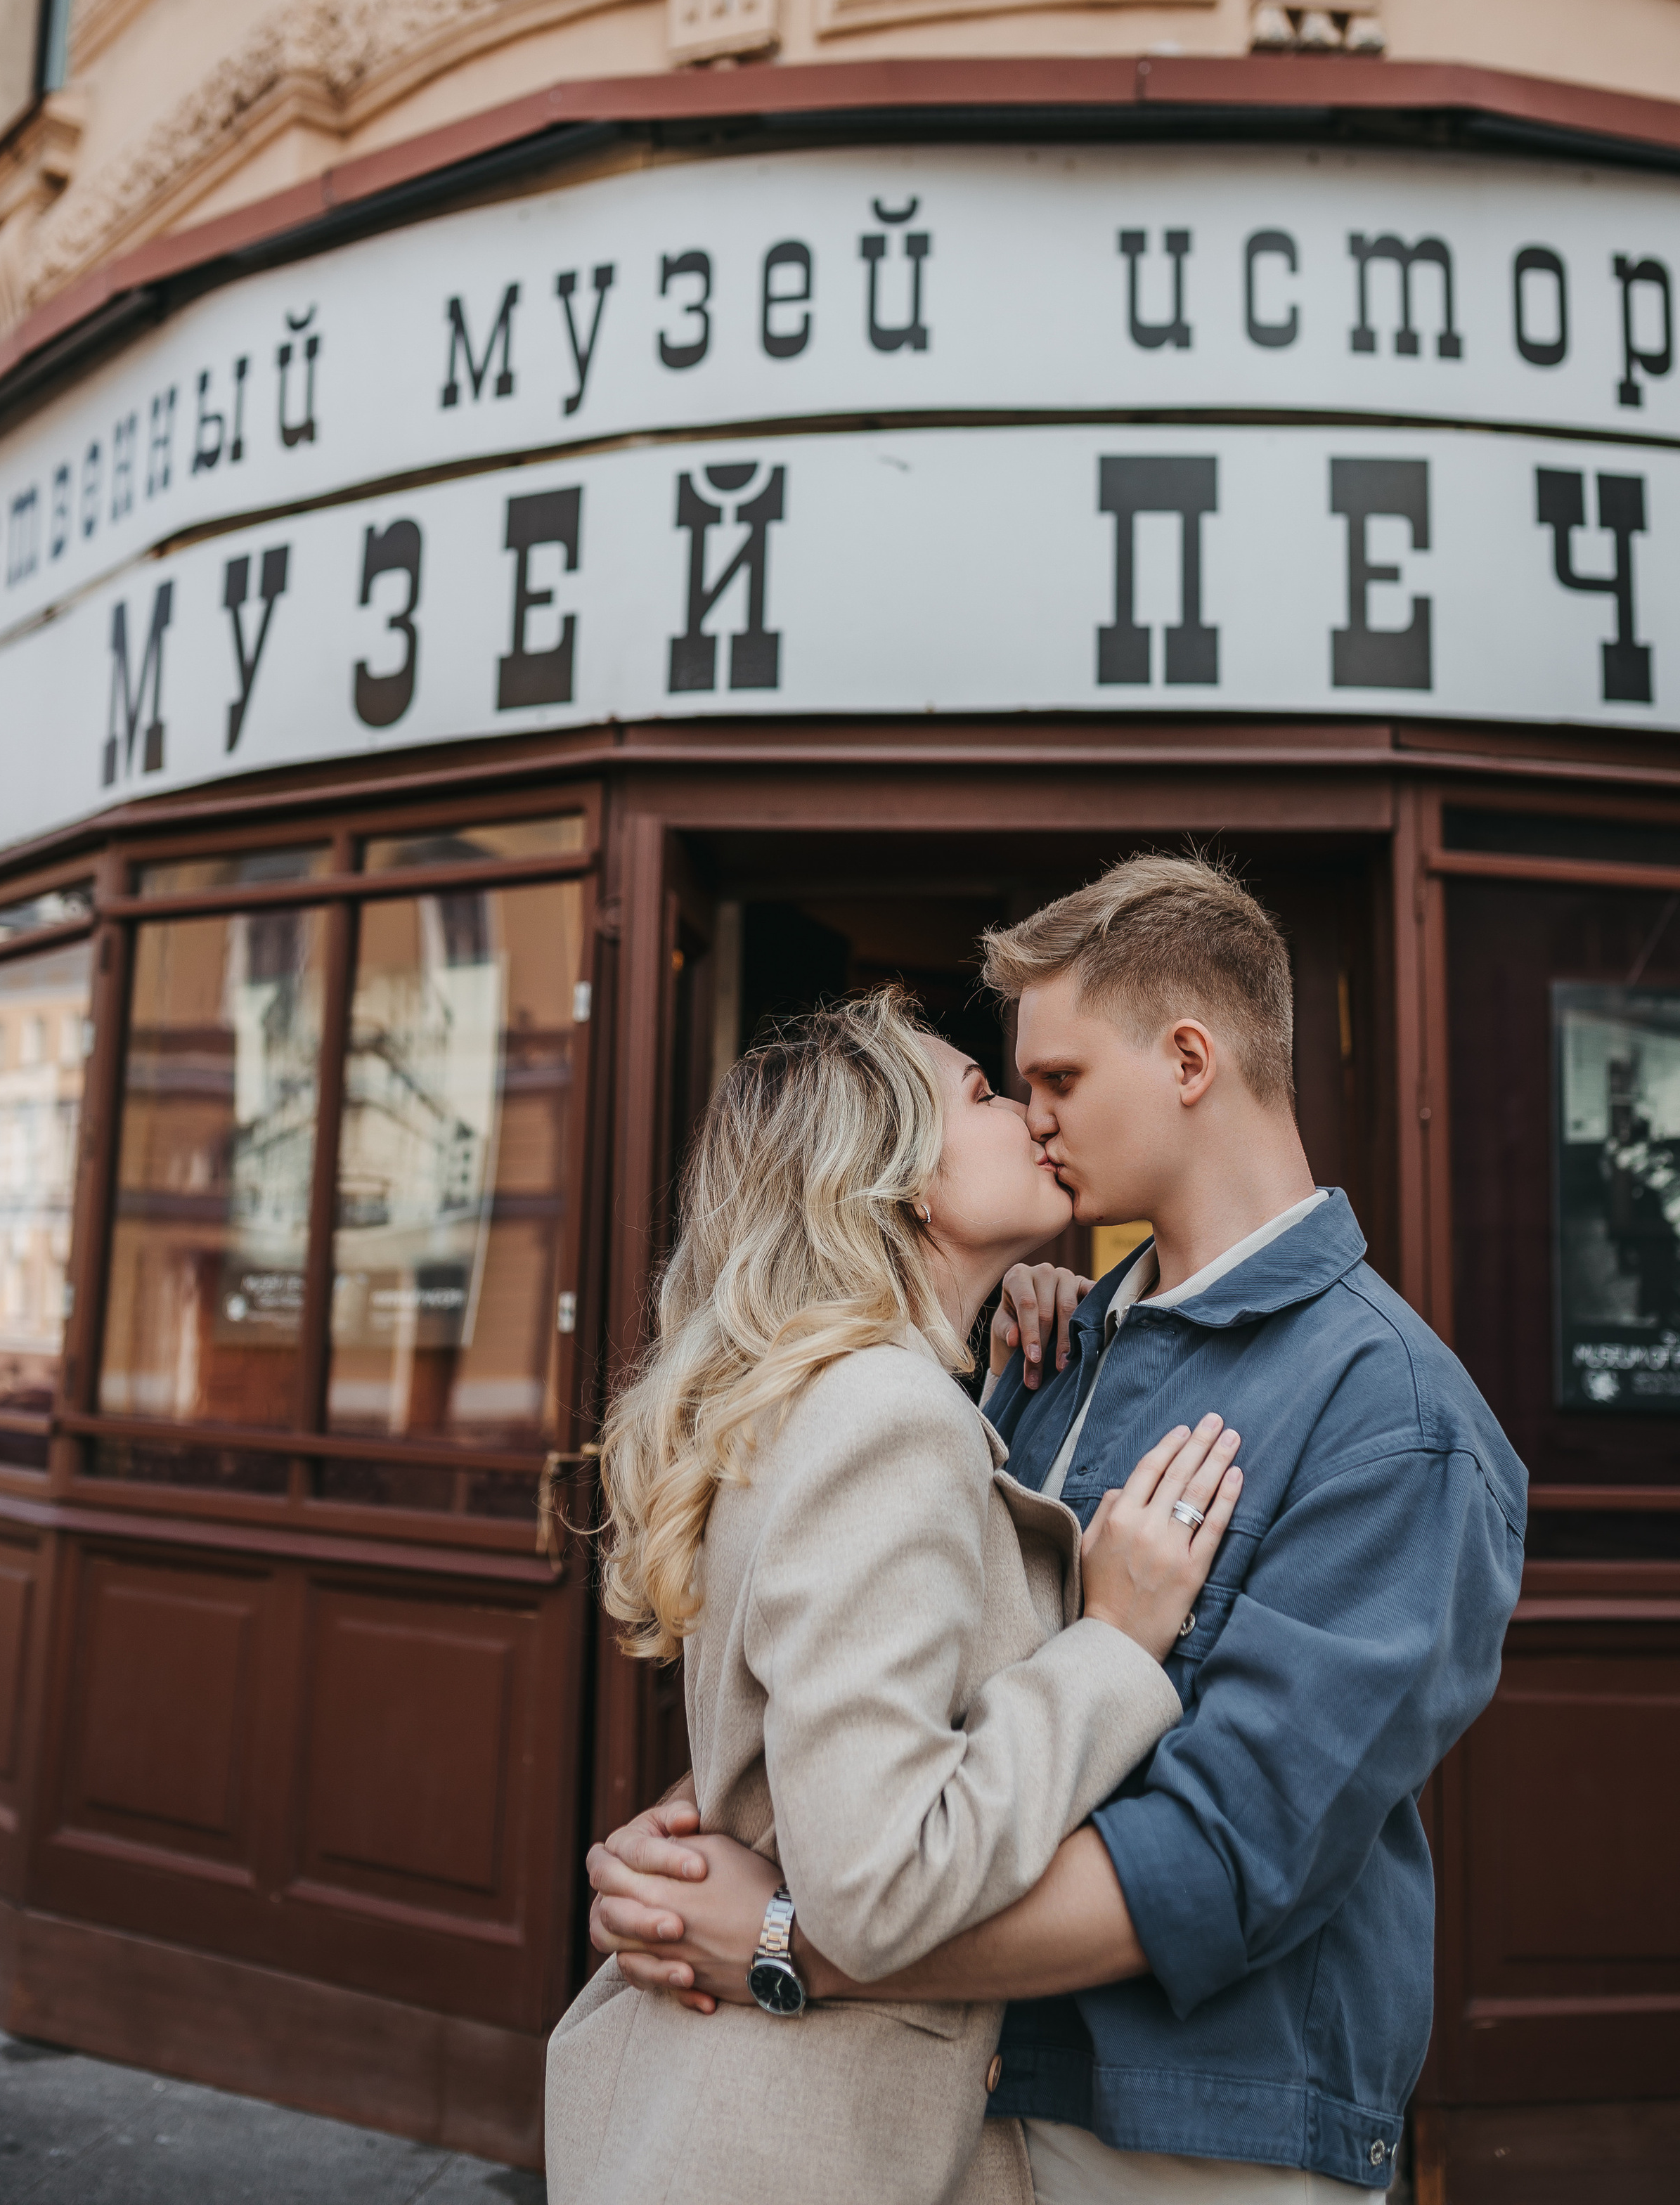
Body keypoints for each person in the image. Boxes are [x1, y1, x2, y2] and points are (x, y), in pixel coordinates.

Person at [586, 854, 1529, 2201]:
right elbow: (919, 1700)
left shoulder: (1400, 1416)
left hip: (1202, 2140)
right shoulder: (1037, 1350)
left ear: (1190, 1059)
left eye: (1058, 1082)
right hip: (965, 2105)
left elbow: (1223, 1858)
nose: (1033, 1119)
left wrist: (792, 1937)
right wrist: (700, 1830)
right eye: (1011, 1088)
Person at [545, 987, 1244, 2205]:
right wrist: (1116, 1645)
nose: (1030, 1113)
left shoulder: (831, 1398)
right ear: (897, 1174)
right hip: (805, 2136)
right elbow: (875, 1884)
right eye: (981, 1092)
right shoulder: (890, 1415)